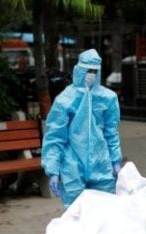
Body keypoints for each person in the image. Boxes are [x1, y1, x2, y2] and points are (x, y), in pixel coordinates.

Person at [42, 49, 123, 208]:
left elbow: (111, 132)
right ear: (79, 70)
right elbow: (55, 136)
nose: (91, 74)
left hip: (101, 162)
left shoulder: (108, 98)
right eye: (88, 70)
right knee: (75, 212)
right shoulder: (65, 99)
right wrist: (53, 169)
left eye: (94, 71)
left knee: (104, 209)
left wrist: (115, 161)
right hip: (72, 164)